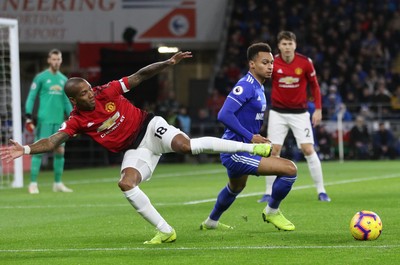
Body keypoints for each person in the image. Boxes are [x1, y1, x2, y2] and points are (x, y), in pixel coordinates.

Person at [1, 51, 273, 244]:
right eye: (84, 93)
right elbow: (51, 142)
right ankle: (165, 230)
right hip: (135, 149)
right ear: (74, 100)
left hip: (150, 127)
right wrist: (24, 150)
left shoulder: (105, 91)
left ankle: (250, 147)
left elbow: (139, 76)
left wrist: (168, 62)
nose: (90, 93)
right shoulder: (76, 120)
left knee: (186, 146)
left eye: (88, 88)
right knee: (126, 183)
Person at [200, 43, 298, 232]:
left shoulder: (259, 87)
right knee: (289, 170)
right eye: (264, 62)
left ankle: (211, 222)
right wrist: (251, 137)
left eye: (271, 62)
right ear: (252, 64)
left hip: (245, 148)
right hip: (236, 150)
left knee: (235, 187)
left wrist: (256, 137)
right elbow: (224, 114)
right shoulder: (246, 85)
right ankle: (271, 211)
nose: (270, 66)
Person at [258, 31, 331, 203]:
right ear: (279, 46)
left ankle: (321, 191)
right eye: (284, 44)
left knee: (308, 149)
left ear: (295, 45)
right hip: (278, 113)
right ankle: (268, 192)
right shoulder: (273, 62)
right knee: (273, 151)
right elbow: (260, 81)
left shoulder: (305, 63)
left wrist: (318, 109)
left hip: (300, 114)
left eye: (290, 44)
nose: (287, 47)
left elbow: (314, 85)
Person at [24, 49, 73, 194]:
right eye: (54, 59)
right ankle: (33, 184)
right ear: (49, 60)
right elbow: (32, 97)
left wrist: (74, 117)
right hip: (45, 119)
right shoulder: (41, 77)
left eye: (58, 59)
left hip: (59, 121)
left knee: (60, 150)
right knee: (38, 150)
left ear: (61, 60)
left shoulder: (64, 80)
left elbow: (66, 102)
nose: (56, 62)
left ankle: (57, 183)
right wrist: (28, 115)